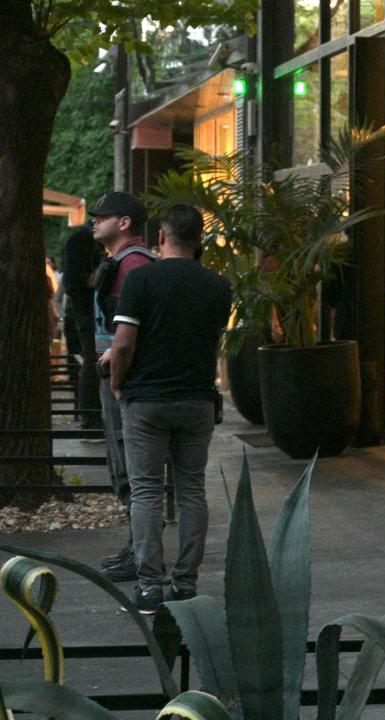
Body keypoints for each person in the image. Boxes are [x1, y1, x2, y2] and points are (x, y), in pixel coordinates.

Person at [109, 204, 231, 612]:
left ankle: (148, 585)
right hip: (196, 399)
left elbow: (124, 343)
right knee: (192, 490)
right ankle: (185, 582)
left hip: (147, 400)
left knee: (145, 491)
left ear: (161, 236)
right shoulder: (218, 286)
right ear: (199, 240)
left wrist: (116, 382)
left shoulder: (142, 280)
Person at [89, 192, 158, 582]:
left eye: (102, 216)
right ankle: (138, 546)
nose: (94, 221)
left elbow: (128, 332)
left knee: (130, 465)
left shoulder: (132, 265)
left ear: (125, 222)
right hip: (120, 373)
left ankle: (142, 551)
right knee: (125, 463)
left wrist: (117, 377)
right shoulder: (126, 263)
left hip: (123, 377)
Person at [63, 224, 103, 427]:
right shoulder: (83, 240)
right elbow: (73, 280)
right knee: (92, 357)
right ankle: (91, 416)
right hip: (88, 309)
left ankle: (90, 416)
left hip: (87, 309)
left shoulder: (82, 239)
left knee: (92, 358)